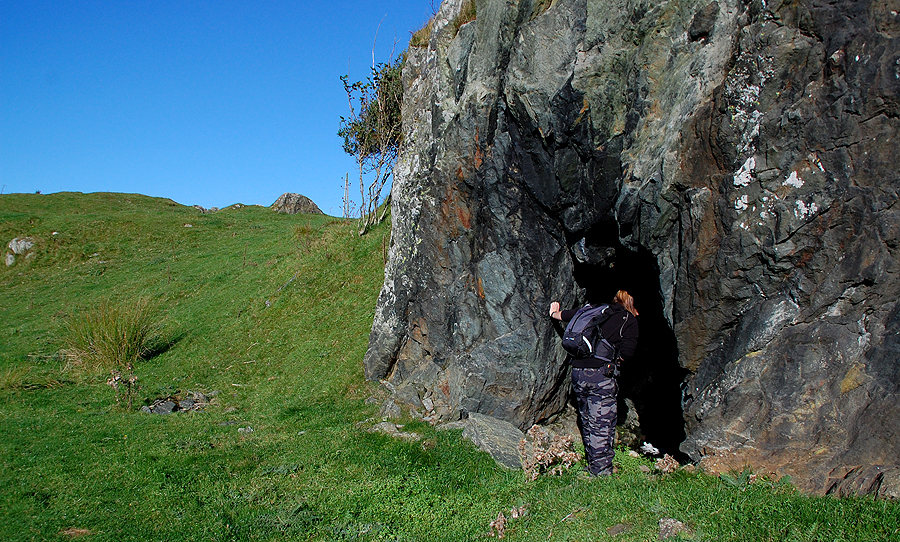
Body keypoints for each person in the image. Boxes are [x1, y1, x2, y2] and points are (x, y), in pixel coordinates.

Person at [549, 290, 639, 476]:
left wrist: (553, 312)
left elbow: (562, 316)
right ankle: (601, 473)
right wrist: (615, 360)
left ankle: (592, 465)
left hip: (578, 373)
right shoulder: (626, 319)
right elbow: (628, 353)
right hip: (601, 376)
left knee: (588, 420)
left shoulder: (590, 310)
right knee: (602, 424)